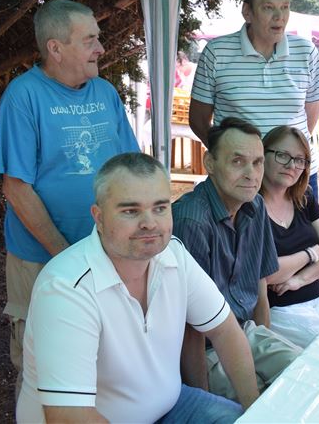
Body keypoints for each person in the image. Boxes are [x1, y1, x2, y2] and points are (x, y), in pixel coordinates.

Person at [16, 153, 257, 423]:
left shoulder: (174, 255)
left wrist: (256, 410)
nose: (149, 223)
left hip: (172, 406)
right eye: (130, 211)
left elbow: (224, 330)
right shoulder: (66, 288)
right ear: (99, 217)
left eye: (160, 208)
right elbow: (68, 416)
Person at [0, 0, 140, 398]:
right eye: (89, 40)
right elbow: (16, 188)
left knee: (106, 356)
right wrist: (66, 255)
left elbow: (131, 168)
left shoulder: (105, 93)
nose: (101, 49)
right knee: (43, 366)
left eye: (98, 39)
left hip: (108, 255)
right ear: (55, 48)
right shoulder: (24, 96)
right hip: (42, 260)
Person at [172, 117, 301, 402]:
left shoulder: (255, 205)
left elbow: (260, 289)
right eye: (237, 162)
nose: (251, 174)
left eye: (257, 163)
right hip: (206, 348)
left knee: (305, 374)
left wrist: (263, 342)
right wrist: (204, 403)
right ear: (210, 163)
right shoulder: (192, 222)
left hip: (246, 332)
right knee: (268, 401)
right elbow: (189, 328)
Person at [188, 0, 319, 200]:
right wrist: (230, 157)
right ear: (247, 12)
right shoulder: (217, 52)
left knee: (303, 225)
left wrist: (286, 156)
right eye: (268, 7)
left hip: (294, 175)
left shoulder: (306, 52)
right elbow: (198, 119)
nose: (279, 16)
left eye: (285, 7)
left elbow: (310, 118)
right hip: (240, 178)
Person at [260, 126, 319, 347]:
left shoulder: (304, 197)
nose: (292, 166)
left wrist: (298, 280)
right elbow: (265, 274)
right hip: (282, 311)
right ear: (263, 154)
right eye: (283, 155)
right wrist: (310, 254)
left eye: (300, 160)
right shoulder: (251, 207)